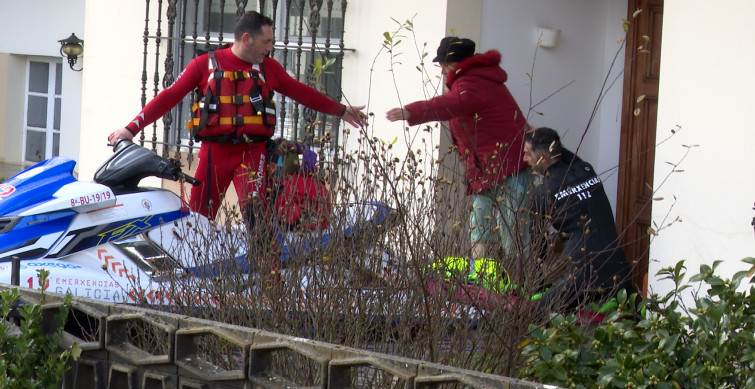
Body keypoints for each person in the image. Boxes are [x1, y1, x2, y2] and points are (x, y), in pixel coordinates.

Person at [108, 11, 366, 223]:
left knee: (258, 223)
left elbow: (303, 94)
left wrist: (341, 111)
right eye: (266, 42)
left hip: (253, 154)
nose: (270, 47)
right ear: (247, 39)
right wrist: (131, 129)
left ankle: (266, 282)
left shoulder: (269, 68)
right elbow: (169, 96)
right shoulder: (203, 64)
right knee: (196, 222)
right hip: (213, 153)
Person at [386, 36, 530, 262]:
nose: (442, 69)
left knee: (511, 230)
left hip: (508, 167)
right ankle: (481, 279)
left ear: (460, 63)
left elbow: (450, 105)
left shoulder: (473, 83)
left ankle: (522, 287)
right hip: (490, 169)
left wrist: (410, 112)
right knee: (481, 226)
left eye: (445, 63)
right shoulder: (470, 81)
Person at [523, 127, 634, 313]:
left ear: (543, 157)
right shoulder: (586, 169)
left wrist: (538, 286)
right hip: (620, 272)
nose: (525, 159)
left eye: (527, 154)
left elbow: (537, 247)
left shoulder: (544, 193)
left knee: (533, 316)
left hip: (582, 279)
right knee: (636, 324)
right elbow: (567, 157)